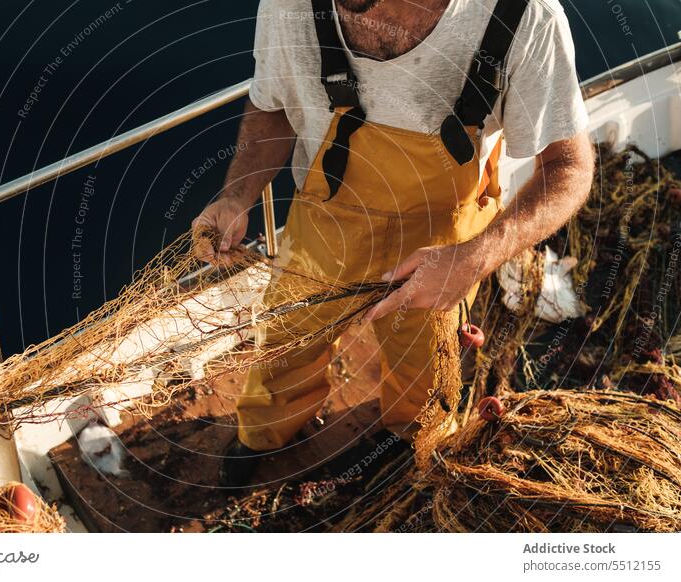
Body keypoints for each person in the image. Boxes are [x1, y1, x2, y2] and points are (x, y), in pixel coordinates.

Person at [193, 0, 594, 488]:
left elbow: (568, 167)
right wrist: (238, 194)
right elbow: (272, 106)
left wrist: (474, 258)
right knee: (286, 340)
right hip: (326, 221)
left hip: (444, 240)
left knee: (425, 368)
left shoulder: (524, 17)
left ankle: (408, 444)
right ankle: (263, 433)